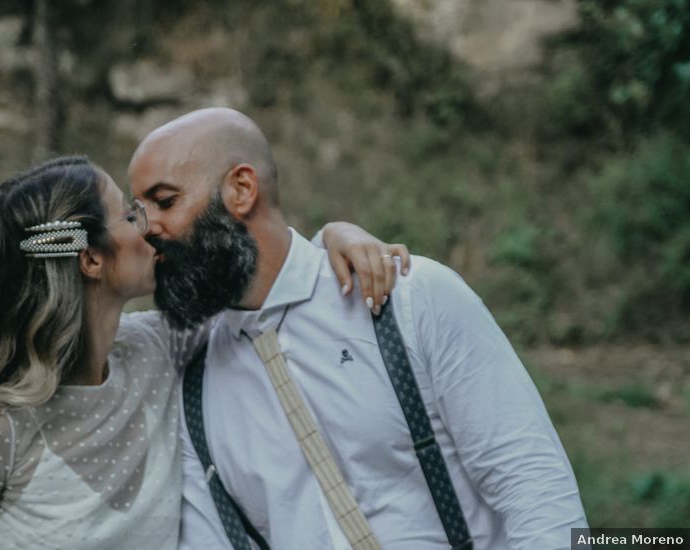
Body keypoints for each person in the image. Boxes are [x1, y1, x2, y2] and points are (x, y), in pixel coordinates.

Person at [128, 108, 589, 550]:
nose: (145, 229)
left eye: (164, 201)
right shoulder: (192, 388)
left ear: (242, 189)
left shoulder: (412, 299)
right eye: (137, 210)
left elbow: (534, 487)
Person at [0, 155, 407, 549]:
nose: (150, 227)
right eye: (128, 215)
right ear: (92, 259)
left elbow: (266, 287)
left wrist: (333, 237)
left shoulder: (158, 349)